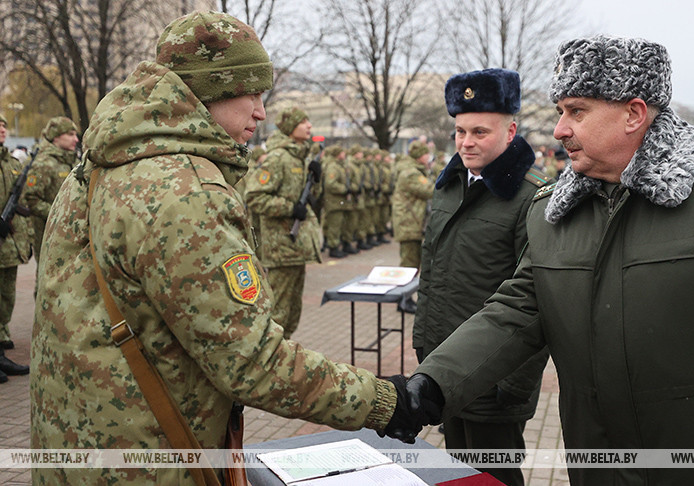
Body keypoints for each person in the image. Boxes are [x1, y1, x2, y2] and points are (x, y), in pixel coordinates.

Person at [407, 35, 694, 485]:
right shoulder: (553, 211)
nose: (560, 129)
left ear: (634, 114)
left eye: (576, 111)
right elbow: (513, 314)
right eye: (560, 111)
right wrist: (429, 386)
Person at [30, 12, 416, 485]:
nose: (261, 112)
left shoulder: (100, 163)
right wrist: (386, 402)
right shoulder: (188, 192)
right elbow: (253, 363)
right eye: (250, 93)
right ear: (206, 93)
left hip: (74, 446)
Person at [413, 68, 551, 486]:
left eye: (480, 132)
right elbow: (433, 273)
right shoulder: (450, 184)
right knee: (458, 474)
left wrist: (511, 387)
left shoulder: (532, 196)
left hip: (493, 378)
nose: (466, 142)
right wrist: (426, 350)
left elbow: (539, 300)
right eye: (459, 131)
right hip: (445, 367)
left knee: (494, 476)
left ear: (511, 130)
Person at [245, 106, 322, 340]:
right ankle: (271, 362)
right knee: (278, 313)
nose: (309, 125)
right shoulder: (278, 158)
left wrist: (316, 180)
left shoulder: (299, 156)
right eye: (304, 121)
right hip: (281, 247)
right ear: (290, 127)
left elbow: (308, 197)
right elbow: (254, 196)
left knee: (292, 314)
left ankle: (284, 359)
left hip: (296, 247)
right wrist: (290, 208)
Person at [22, 116, 78, 267]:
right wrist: (59, 214)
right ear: (56, 137)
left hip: (72, 231)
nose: (76, 139)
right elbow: (31, 199)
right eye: (70, 134)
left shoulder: (71, 161)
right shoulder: (43, 163)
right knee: (47, 277)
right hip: (49, 231)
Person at [0, 113, 32, 379]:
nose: (1, 130)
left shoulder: (11, 162)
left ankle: (1, 353)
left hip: (7, 247)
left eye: (3, 126)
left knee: (7, 298)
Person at [392, 141, 434, 273]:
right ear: (419, 156)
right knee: (409, 264)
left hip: (412, 221)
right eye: (426, 153)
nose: (428, 156)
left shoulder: (414, 170)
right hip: (409, 222)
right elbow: (429, 190)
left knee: (412, 261)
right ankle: (405, 292)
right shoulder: (411, 173)